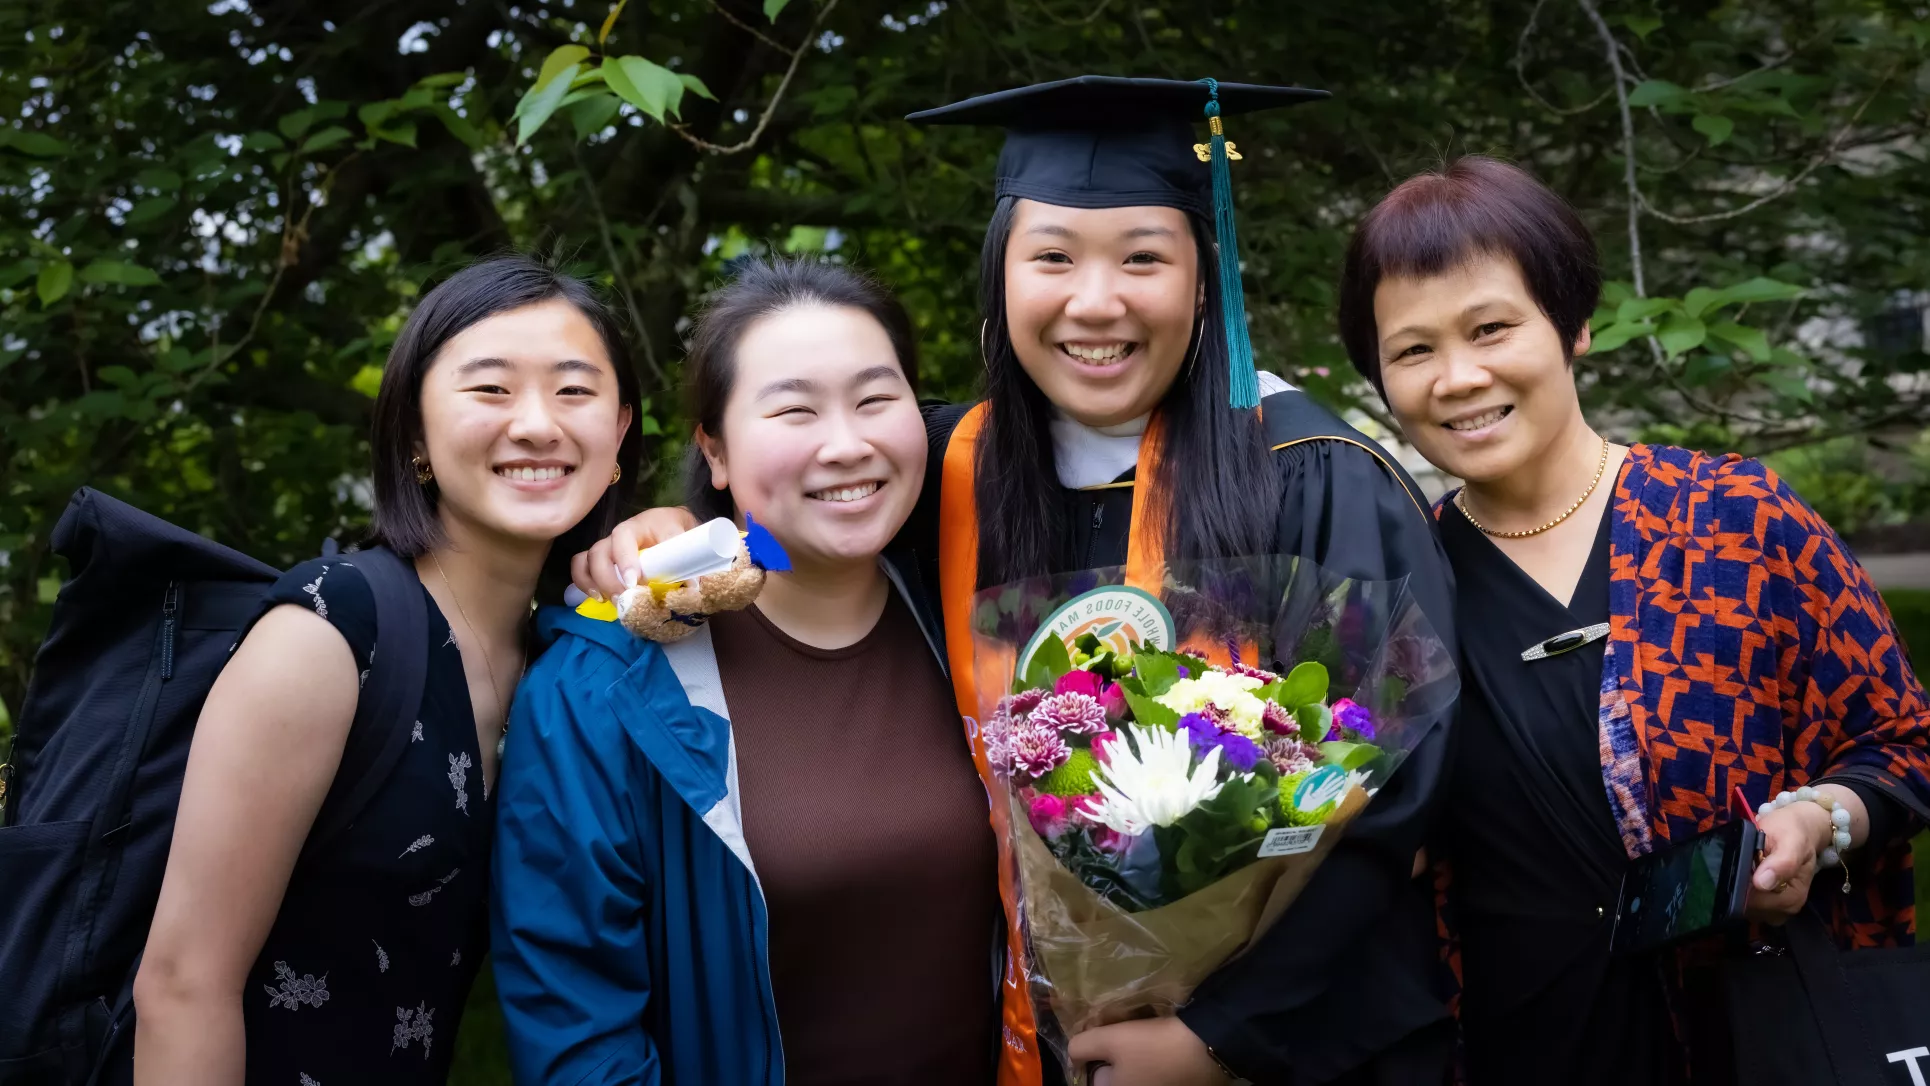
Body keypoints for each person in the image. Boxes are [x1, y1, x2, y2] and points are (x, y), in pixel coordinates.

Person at [575, 77, 1459, 1086]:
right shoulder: (950, 472)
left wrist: (1223, 1036)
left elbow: (1398, 802)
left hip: (1309, 1052)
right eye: (1052, 257)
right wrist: (680, 533)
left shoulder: (1310, 472)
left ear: (1202, 275)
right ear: (1002, 275)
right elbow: (798, 550)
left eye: (1142, 258)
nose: (1096, 301)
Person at [1336, 155, 1930, 1084]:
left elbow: (1904, 744)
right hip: (1510, 1050)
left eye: (1491, 327)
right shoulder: (1404, 587)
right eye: (1413, 350)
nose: (1457, 377)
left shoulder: (1735, 518)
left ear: (1573, 326)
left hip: (1754, 1039)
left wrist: (1822, 819)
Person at [490, 258, 1003, 1085]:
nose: (847, 443)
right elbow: (578, 1035)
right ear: (715, 451)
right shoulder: (604, 687)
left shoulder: (979, 619)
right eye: (795, 409)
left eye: (877, 399)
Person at [131, 256, 640, 1085]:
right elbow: (183, 986)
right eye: (491, 389)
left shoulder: (566, 655)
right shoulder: (329, 635)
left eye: (575, 391)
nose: (539, 424)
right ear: (413, 434)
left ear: (618, 434)